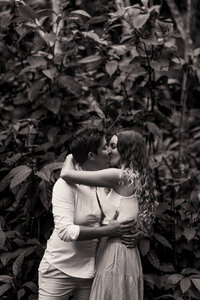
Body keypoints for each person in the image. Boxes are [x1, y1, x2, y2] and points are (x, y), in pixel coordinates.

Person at [38, 127, 138, 300]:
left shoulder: (108, 182)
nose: (109, 151)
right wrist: (107, 231)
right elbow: (65, 231)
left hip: (92, 271)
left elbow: (121, 215)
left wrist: (135, 233)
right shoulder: (65, 185)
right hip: (59, 270)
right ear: (92, 156)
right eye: (105, 147)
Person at [61, 129, 157, 300]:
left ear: (126, 150)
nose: (108, 151)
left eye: (113, 146)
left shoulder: (118, 175)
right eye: (107, 146)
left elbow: (66, 174)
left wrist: (71, 156)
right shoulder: (136, 177)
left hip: (115, 253)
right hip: (125, 253)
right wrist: (140, 233)